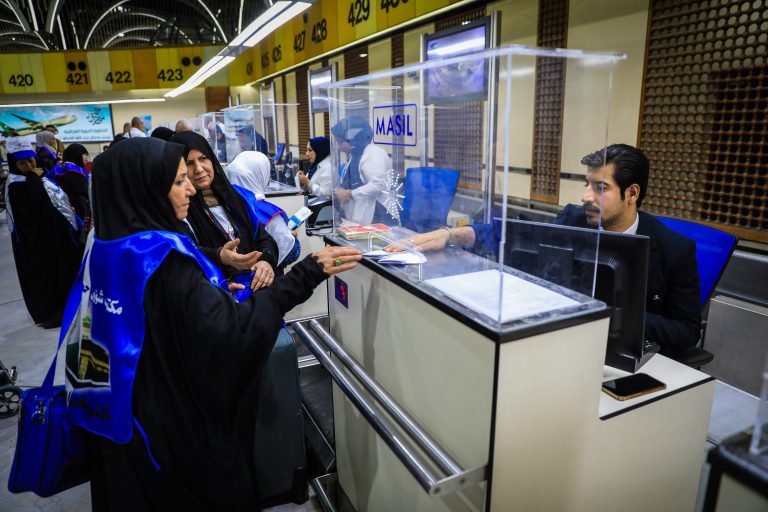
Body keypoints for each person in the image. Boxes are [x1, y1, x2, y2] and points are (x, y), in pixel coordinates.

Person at [65, 137, 361, 511]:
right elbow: (232, 333)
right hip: (172, 437)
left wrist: (211, 293)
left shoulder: (106, 249)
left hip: (117, 423)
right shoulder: (164, 263)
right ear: (146, 188)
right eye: (178, 180)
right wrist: (307, 273)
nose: (190, 186)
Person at [386, 144, 701, 356]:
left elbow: (687, 332)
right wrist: (455, 235)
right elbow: (521, 237)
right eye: (586, 184)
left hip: (624, 356)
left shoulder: (675, 250)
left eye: (600, 188)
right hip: (563, 342)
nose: (586, 196)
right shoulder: (574, 219)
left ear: (632, 193)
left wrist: (615, 314)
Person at [169, 131, 279, 291]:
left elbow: (264, 239)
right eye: (189, 163)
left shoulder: (237, 197)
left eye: (203, 158)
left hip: (257, 291)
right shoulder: (179, 208)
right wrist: (219, 256)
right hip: (217, 294)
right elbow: (186, 254)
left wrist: (266, 261)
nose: (199, 169)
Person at [4, 138, 84, 328]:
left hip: (53, 238)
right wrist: (34, 180)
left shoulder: (40, 175)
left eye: (30, 160)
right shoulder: (16, 185)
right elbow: (33, 214)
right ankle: (51, 312)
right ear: (14, 164)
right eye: (22, 163)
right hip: (37, 245)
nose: (29, 165)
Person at [226, 151, 301, 270]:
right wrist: (293, 237)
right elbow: (291, 253)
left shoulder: (224, 206)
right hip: (264, 276)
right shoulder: (267, 212)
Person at [331, 116, 397, 225]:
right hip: (359, 218)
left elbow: (377, 185)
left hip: (378, 219)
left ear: (353, 139)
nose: (339, 148)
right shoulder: (356, 156)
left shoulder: (373, 153)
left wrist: (349, 194)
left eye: (340, 142)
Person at [51, 143, 91, 229]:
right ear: (77, 155)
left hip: (61, 208)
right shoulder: (75, 170)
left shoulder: (57, 168)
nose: (87, 159)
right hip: (77, 211)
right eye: (85, 155)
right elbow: (85, 192)